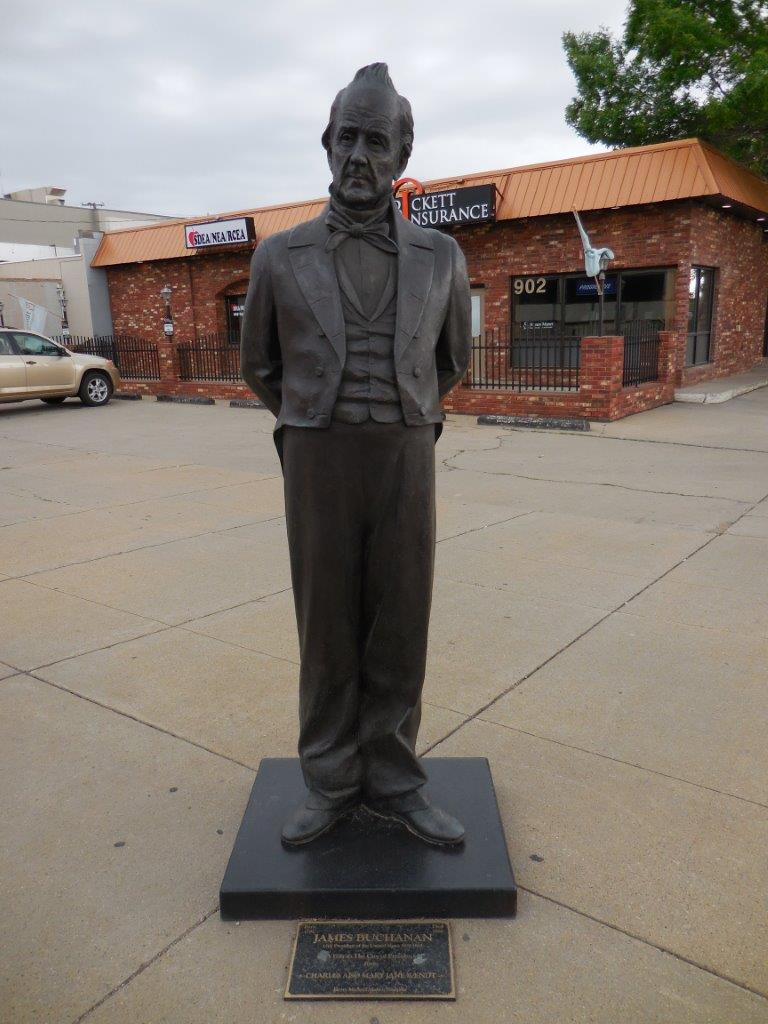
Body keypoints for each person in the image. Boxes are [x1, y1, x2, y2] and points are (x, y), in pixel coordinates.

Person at [241, 62, 471, 846]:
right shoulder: (278, 255)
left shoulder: (442, 256)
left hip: (405, 453)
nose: (359, 156)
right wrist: (313, 420)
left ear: (404, 153)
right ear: (326, 143)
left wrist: (403, 415)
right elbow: (259, 365)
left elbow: (452, 361)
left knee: (402, 619)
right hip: (318, 459)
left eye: (377, 140)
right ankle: (330, 777)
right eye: (348, 137)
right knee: (327, 623)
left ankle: (396, 776)